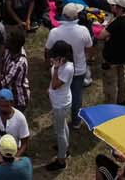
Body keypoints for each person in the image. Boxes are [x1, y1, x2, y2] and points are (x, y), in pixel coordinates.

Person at [45, 40, 74, 173]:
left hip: (61, 104)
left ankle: (61, 160)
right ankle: (65, 148)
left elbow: (56, 84)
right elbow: (53, 83)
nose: (53, 58)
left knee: (60, 131)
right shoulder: (61, 63)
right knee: (63, 125)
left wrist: (56, 68)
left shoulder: (67, 68)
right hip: (59, 101)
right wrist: (49, 88)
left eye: (56, 56)